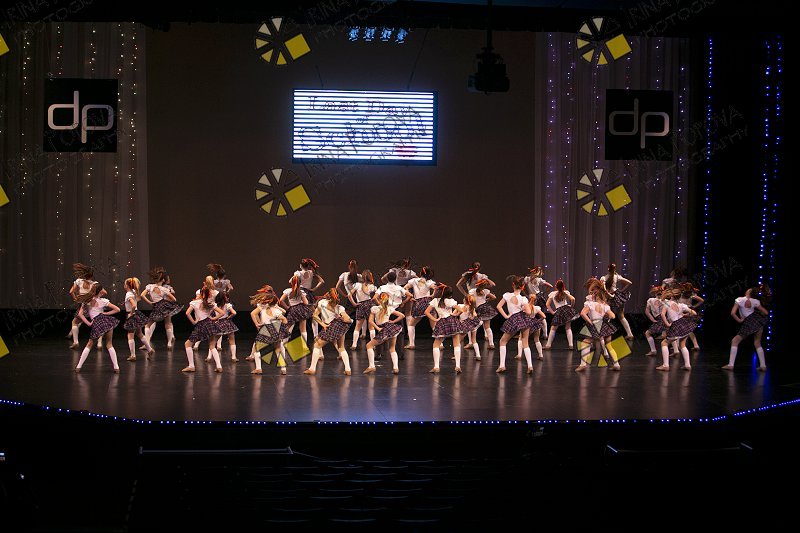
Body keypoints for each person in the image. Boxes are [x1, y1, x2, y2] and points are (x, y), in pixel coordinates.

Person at [304, 289, 354, 376]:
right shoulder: (339, 307)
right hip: (339, 328)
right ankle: (348, 369)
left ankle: (312, 369)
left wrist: (323, 324)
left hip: (329, 327)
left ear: (328, 295)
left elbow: (315, 315)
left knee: (317, 345)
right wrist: (344, 319)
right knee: (341, 347)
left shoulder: (322, 303)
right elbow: (347, 319)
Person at [722, 285, 770, 371]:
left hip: (749, 322)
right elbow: (766, 312)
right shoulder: (755, 301)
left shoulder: (739, 300)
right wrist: (758, 313)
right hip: (757, 321)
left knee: (735, 341)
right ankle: (763, 366)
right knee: (757, 342)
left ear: (749, 292)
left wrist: (739, 320)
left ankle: (731, 365)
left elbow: (733, 313)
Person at [74, 284, 121, 373]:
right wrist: (105, 313)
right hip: (106, 322)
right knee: (109, 344)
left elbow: (80, 314)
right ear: (100, 291)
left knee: (89, 344)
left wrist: (88, 323)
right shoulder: (103, 301)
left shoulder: (87, 301)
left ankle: (78, 367)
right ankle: (116, 367)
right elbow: (117, 309)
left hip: (97, 322)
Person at [494, 276, 535, 375]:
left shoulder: (507, 296)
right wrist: (524, 307)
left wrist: (506, 316)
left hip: (513, 319)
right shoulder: (523, 299)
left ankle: (502, 365)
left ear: (513, 285)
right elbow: (529, 312)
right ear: (522, 287)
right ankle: (530, 365)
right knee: (525, 342)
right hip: (523, 319)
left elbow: (498, 306)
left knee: (503, 341)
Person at [574, 282, 619, 372]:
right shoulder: (605, 306)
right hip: (604, 325)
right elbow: (613, 316)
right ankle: (616, 364)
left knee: (585, 343)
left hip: (595, 324)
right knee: (609, 345)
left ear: (595, 296)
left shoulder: (591, 304)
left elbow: (582, 313)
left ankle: (583, 364)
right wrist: (605, 316)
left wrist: (590, 321)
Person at [181, 286, 225, 373]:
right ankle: (219, 366)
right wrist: (213, 318)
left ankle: (191, 366)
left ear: (201, 294)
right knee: (212, 346)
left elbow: (187, 313)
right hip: (210, 324)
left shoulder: (195, 303)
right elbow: (222, 313)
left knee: (188, 344)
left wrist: (193, 321)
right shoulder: (210, 303)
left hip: (201, 325)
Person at [249, 287, 289, 376]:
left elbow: (252, 314)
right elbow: (285, 320)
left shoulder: (262, 307)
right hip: (275, 329)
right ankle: (283, 368)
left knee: (257, 348)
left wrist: (257, 324)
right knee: (278, 348)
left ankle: (258, 368)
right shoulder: (276, 311)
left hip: (266, 329)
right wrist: (281, 327)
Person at [424, 284, 463, 374]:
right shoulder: (450, 301)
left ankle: (436, 367)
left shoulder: (435, 301)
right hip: (452, 321)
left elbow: (426, 312)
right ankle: (457, 366)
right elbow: (461, 310)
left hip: (442, 322)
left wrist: (435, 319)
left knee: (436, 345)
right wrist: (455, 314)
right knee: (456, 343)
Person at [656, 288, 698, 372]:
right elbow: (694, 313)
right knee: (682, 344)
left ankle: (665, 365)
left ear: (671, 296)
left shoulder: (667, 304)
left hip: (675, 325)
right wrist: (685, 315)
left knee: (664, 343)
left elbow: (663, 314)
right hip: (684, 324)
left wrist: (667, 324)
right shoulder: (681, 305)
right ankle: (687, 365)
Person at [67, 263, 107, 349]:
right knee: (98, 324)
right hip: (94, 306)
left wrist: (76, 299)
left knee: (74, 322)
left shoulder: (78, 281)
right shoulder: (95, 283)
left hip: (84, 306)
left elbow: (71, 292)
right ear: (92, 275)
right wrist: (96, 297)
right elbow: (104, 292)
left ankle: (76, 342)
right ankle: (99, 343)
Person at [364, 293, 405, 375]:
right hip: (391, 327)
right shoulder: (389, 308)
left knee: (369, 345)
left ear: (379, 299)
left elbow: (370, 321)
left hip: (383, 328)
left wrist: (378, 328)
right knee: (392, 348)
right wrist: (393, 321)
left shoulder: (375, 308)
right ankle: (395, 367)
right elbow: (402, 315)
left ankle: (371, 366)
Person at [141, 267, 182, 349]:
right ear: (163, 280)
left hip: (156, 306)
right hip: (164, 306)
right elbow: (174, 299)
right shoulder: (164, 289)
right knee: (167, 324)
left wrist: (150, 302)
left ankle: (147, 344)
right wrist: (167, 303)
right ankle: (169, 343)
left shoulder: (150, 287)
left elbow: (142, 295)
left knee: (147, 325)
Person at [403, 266, 436, 349]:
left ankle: (411, 344)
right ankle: (440, 344)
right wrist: (432, 295)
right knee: (434, 324)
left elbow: (405, 288)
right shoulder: (429, 281)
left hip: (418, 302)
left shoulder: (414, 280)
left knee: (411, 324)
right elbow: (436, 288)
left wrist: (410, 296)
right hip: (428, 302)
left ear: (421, 273)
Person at [121, 277, 153, 362]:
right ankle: (149, 349)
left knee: (130, 335)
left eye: (125, 284)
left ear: (127, 286)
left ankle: (133, 355)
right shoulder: (133, 292)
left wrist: (131, 314)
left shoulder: (129, 294)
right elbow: (137, 300)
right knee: (139, 333)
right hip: (137, 314)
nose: (124, 285)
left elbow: (134, 305)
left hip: (132, 314)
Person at [292, 258, 325, 338]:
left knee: (294, 315)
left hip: (301, 294)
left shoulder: (298, 273)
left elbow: (292, 282)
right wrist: (313, 289)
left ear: (301, 265)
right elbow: (322, 281)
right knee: (314, 315)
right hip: (308, 294)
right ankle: (315, 335)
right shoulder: (311, 272)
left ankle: (287, 336)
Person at [600, 263, 634, 340]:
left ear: (608, 268)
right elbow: (629, 283)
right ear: (615, 269)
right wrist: (621, 290)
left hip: (610, 297)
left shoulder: (604, 277)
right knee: (621, 316)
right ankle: (630, 334)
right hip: (617, 296)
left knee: (607, 316)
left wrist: (607, 294)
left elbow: (603, 288)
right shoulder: (617, 276)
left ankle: (603, 334)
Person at [543, 279, 579, 350]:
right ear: (563, 286)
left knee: (553, 328)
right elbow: (573, 299)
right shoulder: (565, 292)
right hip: (566, 310)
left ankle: (548, 345)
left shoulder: (553, 294)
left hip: (559, 310)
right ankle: (571, 345)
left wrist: (552, 312)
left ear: (556, 286)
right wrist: (571, 307)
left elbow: (547, 304)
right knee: (568, 327)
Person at [279, 275, 312, 345]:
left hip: (293, 310)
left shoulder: (288, 291)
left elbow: (281, 300)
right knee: (303, 329)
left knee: (287, 327)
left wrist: (287, 307)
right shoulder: (301, 292)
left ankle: (282, 344)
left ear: (291, 283)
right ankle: (304, 345)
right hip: (301, 309)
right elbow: (306, 303)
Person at [347, 270, 376, 349]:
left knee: (357, 326)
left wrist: (354, 303)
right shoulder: (372, 286)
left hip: (360, 305)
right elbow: (377, 295)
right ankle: (373, 345)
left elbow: (349, 295)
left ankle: (354, 344)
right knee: (371, 326)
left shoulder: (357, 285)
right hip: (369, 305)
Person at [207, 292, 238, 363]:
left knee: (213, 342)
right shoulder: (227, 305)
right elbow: (234, 313)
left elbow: (209, 313)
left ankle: (209, 357)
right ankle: (233, 357)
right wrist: (229, 317)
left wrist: (213, 318)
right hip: (227, 323)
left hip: (218, 323)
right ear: (225, 298)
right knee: (232, 341)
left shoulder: (214, 305)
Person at [524, 266, 554, 335]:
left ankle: (526, 333)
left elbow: (521, 287)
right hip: (537, 297)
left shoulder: (527, 278)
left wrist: (525, 294)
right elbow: (550, 286)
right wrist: (543, 292)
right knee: (541, 316)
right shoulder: (538, 279)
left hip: (533, 297)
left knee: (529, 315)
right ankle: (544, 334)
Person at [458, 293, 484, 361]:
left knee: (458, 341)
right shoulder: (472, 307)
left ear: (465, 300)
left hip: (466, 324)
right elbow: (475, 315)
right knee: (474, 340)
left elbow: (458, 314)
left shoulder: (464, 307)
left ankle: (457, 355)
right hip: (473, 324)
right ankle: (478, 355)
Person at [644, 285, 667, 357]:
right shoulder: (666, 301)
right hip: (667, 318)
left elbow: (647, 312)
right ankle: (676, 350)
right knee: (671, 334)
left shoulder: (651, 300)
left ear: (654, 293)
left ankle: (653, 350)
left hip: (659, 318)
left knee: (648, 333)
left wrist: (653, 319)